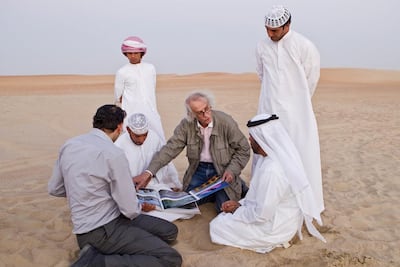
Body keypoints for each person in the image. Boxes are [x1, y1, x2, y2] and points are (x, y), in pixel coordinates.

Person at [48, 104, 182, 267]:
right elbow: (130, 210)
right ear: (120, 127)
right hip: (104, 230)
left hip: (98, 224)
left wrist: (84, 191)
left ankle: (98, 250)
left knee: (169, 232)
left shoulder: (69, 145)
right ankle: (96, 262)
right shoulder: (114, 154)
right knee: (170, 258)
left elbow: (55, 188)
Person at [209, 114, 326, 253]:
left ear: (262, 139)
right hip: (281, 219)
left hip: (275, 228)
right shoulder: (270, 159)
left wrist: (236, 210)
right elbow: (260, 198)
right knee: (223, 219)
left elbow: (261, 215)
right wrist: (240, 204)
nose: (250, 139)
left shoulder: (272, 170)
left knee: (217, 226)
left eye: (252, 136)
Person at [255, 5, 324, 213]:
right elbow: (262, 75)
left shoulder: (304, 45)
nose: (269, 33)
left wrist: (297, 103)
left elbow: (311, 79)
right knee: (269, 154)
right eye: (267, 29)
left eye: (274, 30)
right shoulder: (261, 46)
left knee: (302, 154)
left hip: (297, 114)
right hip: (268, 110)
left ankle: (308, 207)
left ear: (287, 26)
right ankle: (270, 203)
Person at [134, 91, 250, 213]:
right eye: (200, 112)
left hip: (223, 170)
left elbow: (244, 149)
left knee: (224, 209)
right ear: (191, 114)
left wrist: (232, 170)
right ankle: (215, 193)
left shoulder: (225, 122)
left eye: (207, 108)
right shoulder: (186, 125)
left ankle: (238, 185)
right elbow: (169, 149)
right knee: (186, 202)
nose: (206, 114)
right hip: (199, 170)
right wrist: (149, 172)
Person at [114, 36, 165, 141]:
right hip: (130, 112)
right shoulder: (122, 72)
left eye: (136, 53)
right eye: (130, 53)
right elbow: (118, 96)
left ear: (141, 53)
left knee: (157, 139)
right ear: (125, 54)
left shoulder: (150, 68)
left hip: (150, 110)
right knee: (129, 140)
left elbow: (151, 88)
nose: (133, 56)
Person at [115, 112, 182, 190]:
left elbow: (164, 161)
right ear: (128, 130)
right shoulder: (119, 145)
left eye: (145, 135)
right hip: (130, 186)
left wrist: (174, 183)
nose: (141, 140)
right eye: (137, 136)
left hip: (153, 182)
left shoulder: (154, 137)